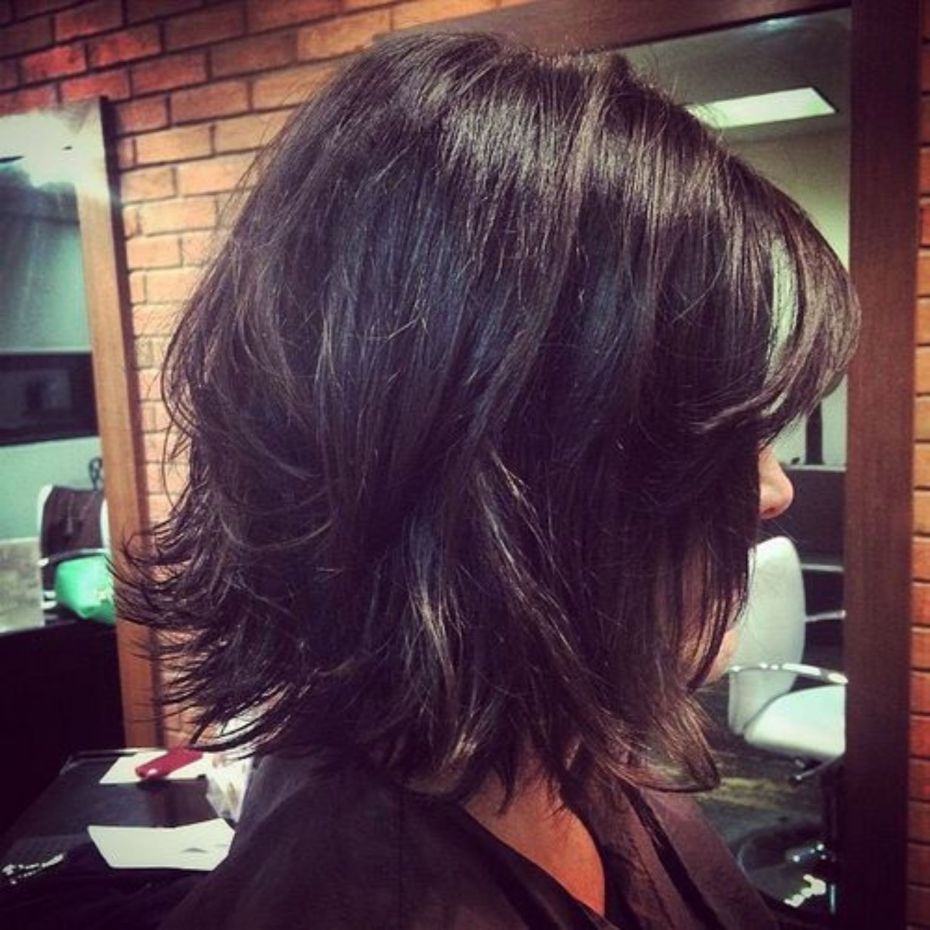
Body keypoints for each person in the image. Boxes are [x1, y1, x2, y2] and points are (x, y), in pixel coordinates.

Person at [122, 31, 858, 930]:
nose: (773, 490)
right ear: (518, 478)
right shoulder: (366, 896)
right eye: (723, 432)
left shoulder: (561, 748)